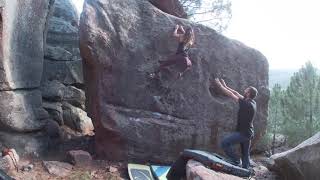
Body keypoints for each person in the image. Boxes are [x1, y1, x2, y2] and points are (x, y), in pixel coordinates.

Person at [214, 78, 258, 169]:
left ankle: (236, 160)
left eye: (246, 90)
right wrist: (225, 86)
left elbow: (231, 95)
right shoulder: (252, 102)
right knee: (245, 154)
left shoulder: (246, 104)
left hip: (243, 133)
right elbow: (236, 93)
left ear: (248, 93)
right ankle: (245, 170)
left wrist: (219, 85)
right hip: (249, 133)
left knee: (224, 143)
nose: (244, 90)